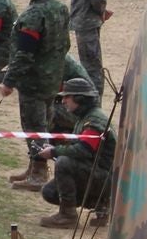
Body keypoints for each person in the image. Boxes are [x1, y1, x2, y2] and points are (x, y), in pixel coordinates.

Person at [1, 0, 70, 191]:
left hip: (33, 81)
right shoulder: (60, 8)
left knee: (33, 126)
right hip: (52, 78)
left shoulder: (33, 15)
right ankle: (34, 166)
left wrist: (9, 81)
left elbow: (25, 53)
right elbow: (65, 44)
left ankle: (39, 171)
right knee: (44, 124)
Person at [36, 78, 116, 229]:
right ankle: (100, 203)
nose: (64, 100)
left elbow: (84, 150)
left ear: (79, 98)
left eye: (68, 97)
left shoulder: (93, 121)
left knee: (64, 163)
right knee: (50, 192)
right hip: (100, 173)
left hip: (104, 176)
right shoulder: (86, 117)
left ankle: (68, 216)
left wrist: (55, 151)